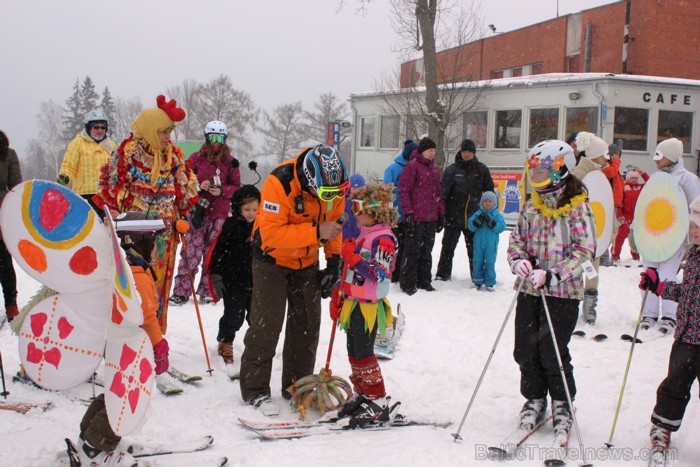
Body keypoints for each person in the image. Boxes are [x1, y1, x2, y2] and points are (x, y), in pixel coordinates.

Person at [239, 145, 347, 416]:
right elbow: (273, 235)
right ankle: (255, 390)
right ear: (309, 182)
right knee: (267, 325)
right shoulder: (280, 182)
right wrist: (315, 232)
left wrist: (333, 261)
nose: (331, 198)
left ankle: (297, 386)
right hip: (271, 260)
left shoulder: (332, 187)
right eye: (325, 195)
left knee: (307, 325)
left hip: (307, 261)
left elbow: (334, 224)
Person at [507, 139, 596, 443]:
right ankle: (534, 397)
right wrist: (518, 260)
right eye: (535, 170)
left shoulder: (578, 206)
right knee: (524, 349)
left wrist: (555, 274)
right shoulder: (533, 204)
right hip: (530, 289)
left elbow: (586, 250)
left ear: (561, 170)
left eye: (544, 170)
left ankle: (561, 403)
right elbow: (517, 239)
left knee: (552, 350)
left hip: (563, 293)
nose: (538, 176)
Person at [93, 95, 200, 334]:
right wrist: (113, 224)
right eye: (163, 132)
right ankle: (128, 337)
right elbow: (110, 192)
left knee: (156, 288)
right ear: (151, 129)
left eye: (169, 132)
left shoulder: (173, 155)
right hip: (131, 238)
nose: (167, 137)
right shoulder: (127, 154)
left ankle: (154, 338)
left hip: (162, 238)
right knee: (133, 286)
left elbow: (184, 191)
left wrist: (184, 211)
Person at [75, 211, 169, 466]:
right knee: (125, 396)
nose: (155, 247)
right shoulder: (137, 274)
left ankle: (88, 434)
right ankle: (95, 448)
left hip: (115, 339)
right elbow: (147, 315)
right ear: (137, 240)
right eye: (152, 240)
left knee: (116, 388)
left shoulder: (121, 266)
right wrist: (159, 346)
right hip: (132, 343)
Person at [638, 195, 700, 463]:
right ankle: (662, 426)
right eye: (692, 225)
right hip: (686, 337)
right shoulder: (694, 254)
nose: (693, 230)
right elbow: (688, 293)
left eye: (699, 225)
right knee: (675, 384)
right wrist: (659, 286)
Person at [331, 182, 399, 423]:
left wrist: (352, 255)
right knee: (353, 350)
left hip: (369, 306)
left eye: (360, 208)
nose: (356, 213)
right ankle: (362, 393)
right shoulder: (364, 235)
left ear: (375, 212)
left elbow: (378, 272)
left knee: (364, 352)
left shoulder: (383, 239)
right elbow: (350, 271)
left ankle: (377, 399)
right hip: (354, 301)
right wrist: (338, 292)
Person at [170, 121, 241, 306]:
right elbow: (184, 180)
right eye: (212, 137)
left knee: (213, 252)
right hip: (198, 211)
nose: (215, 142)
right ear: (206, 137)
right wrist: (198, 186)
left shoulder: (231, 162)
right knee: (191, 253)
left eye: (219, 138)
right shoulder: (196, 158)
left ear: (224, 140)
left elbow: (236, 187)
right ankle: (182, 291)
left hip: (219, 213)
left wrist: (222, 191)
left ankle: (208, 290)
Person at [639, 138, 700, 335]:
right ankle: (648, 313)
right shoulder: (656, 178)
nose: (656, 160)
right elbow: (646, 206)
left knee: (666, 276)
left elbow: (695, 208)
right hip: (652, 235)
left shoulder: (687, 179)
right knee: (649, 275)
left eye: (661, 155)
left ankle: (670, 316)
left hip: (675, 238)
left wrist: (692, 237)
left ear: (671, 157)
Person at [207, 184, 260, 378]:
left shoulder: (263, 226)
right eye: (247, 209)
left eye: (255, 209)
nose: (251, 213)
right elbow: (219, 252)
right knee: (233, 315)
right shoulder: (230, 225)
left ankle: (255, 347)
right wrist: (216, 274)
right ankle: (225, 342)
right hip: (233, 281)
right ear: (238, 207)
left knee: (256, 316)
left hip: (256, 281)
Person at [436, 138, 494, 281]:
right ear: (460, 152)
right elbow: (442, 194)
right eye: (464, 151)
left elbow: (489, 193)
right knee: (447, 248)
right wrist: (441, 214)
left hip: (474, 218)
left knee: (475, 250)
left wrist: (487, 214)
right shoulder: (451, 170)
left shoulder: (481, 170)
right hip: (453, 217)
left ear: (473, 153)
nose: (466, 154)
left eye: (469, 151)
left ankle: (477, 276)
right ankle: (442, 275)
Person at [570, 131, 609, 325]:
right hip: (579, 236)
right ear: (595, 154)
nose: (607, 158)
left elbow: (605, 203)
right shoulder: (577, 175)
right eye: (604, 154)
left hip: (596, 236)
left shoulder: (600, 175)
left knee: (592, 272)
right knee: (577, 268)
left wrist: (611, 227)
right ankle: (573, 303)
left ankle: (590, 304)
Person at [397, 137, 444, 295]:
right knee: (412, 251)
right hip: (415, 216)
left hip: (430, 217)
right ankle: (408, 282)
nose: (432, 153)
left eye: (434, 151)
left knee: (427, 251)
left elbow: (438, 194)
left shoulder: (435, 170)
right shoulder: (412, 167)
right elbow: (404, 190)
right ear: (423, 151)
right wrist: (408, 212)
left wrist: (441, 214)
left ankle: (424, 281)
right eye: (430, 150)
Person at [57, 109, 116, 218]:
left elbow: (117, 168)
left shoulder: (111, 145)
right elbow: (69, 165)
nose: (100, 130)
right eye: (96, 127)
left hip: (105, 196)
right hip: (84, 194)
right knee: (88, 226)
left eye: (103, 127)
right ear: (89, 128)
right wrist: (64, 177)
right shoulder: (78, 143)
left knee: (105, 226)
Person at [384, 140, 418, 283]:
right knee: (394, 246)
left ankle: (402, 272)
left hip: (410, 214)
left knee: (406, 246)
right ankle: (393, 272)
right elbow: (386, 191)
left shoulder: (415, 167)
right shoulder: (393, 169)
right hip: (395, 215)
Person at [0, 130, 22, 322]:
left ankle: (11, 305)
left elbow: (15, 185)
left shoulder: (8, 153)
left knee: (4, 263)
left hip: (1, 210)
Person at [467, 191, 506, 291]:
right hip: (478, 242)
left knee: (489, 262)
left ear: (494, 203)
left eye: (490, 201)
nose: (487, 203)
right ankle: (477, 281)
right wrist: (476, 223)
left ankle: (490, 282)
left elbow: (502, 227)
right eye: (485, 201)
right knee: (477, 261)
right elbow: (470, 226)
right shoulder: (478, 213)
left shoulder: (496, 215)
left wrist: (493, 224)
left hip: (491, 243)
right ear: (481, 202)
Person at [611, 168, 649, 263]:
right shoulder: (623, 187)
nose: (634, 180)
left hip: (636, 218)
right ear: (627, 178)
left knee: (635, 237)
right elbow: (619, 202)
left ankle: (635, 254)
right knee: (620, 236)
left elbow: (650, 182)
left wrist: (643, 173)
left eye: (636, 178)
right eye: (632, 177)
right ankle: (615, 255)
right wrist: (619, 213)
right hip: (625, 216)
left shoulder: (640, 187)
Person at [342, 174, 366, 240]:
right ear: (350, 188)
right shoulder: (345, 200)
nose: (357, 191)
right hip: (345, 234)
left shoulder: (364, 202)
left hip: (359, 235)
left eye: (360, 188)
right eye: (354, 188)